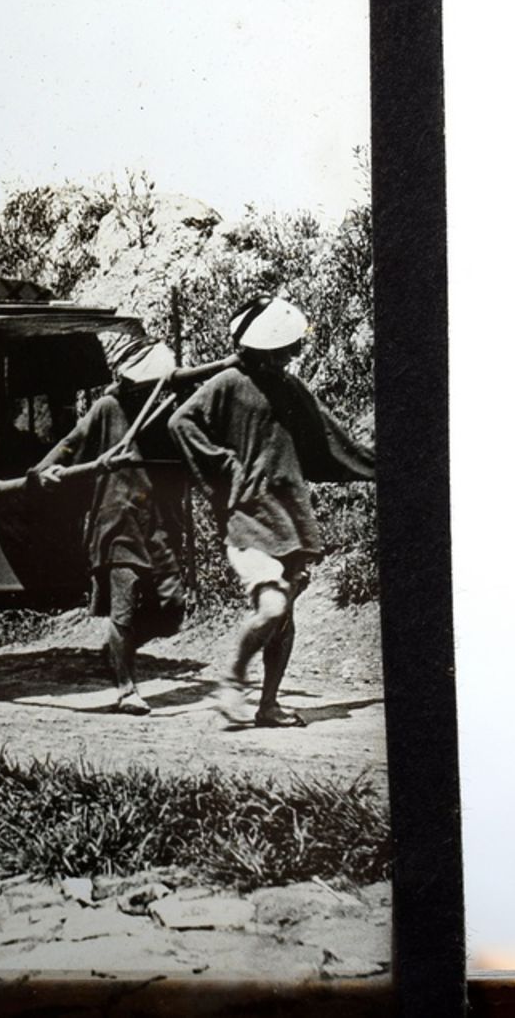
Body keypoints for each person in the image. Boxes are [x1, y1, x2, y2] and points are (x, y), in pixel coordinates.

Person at [169, 296, 376, 728]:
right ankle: (231, 680)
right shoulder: (227, 382)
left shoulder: (291, 388)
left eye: (288, 349)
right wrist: (226, 465)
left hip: (289, 518)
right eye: (279, 350)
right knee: (273, 609)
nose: (287, 357)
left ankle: (268, 704)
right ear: (257, 350)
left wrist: (380, 467)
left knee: (284, 620)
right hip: (247, 518)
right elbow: (181, 423)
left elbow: (330, 436)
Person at [34, 339, 189, 715]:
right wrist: (45, 470)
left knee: (173, 609)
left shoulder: (170, 409)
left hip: (159, 526)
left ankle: (119, 648)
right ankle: (126, 687)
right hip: (118, 522)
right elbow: (71, 445)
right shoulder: (108, 408)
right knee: (124, 608)